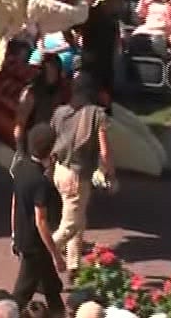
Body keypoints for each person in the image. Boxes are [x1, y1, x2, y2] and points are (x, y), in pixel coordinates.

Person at [48, 73, 112, 271]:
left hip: (59, 169)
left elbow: (52, 140)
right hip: (77, 174)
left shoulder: (60, 112)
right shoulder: (97, 114)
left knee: (78, 219)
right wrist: (107, 171)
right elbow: (104, 150)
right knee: (69, 225)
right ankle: (38, 255)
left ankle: (73, 265)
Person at [10, 124, 66, 318]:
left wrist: (14, 233)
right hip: (35, 246)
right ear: (50, 149)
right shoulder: (41, 183)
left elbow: (15, 203)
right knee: (21, 294)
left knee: (51, 287)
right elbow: (41, 221)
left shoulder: (20, 168)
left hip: (23, 237)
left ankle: (59, 313)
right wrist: (56, 254)